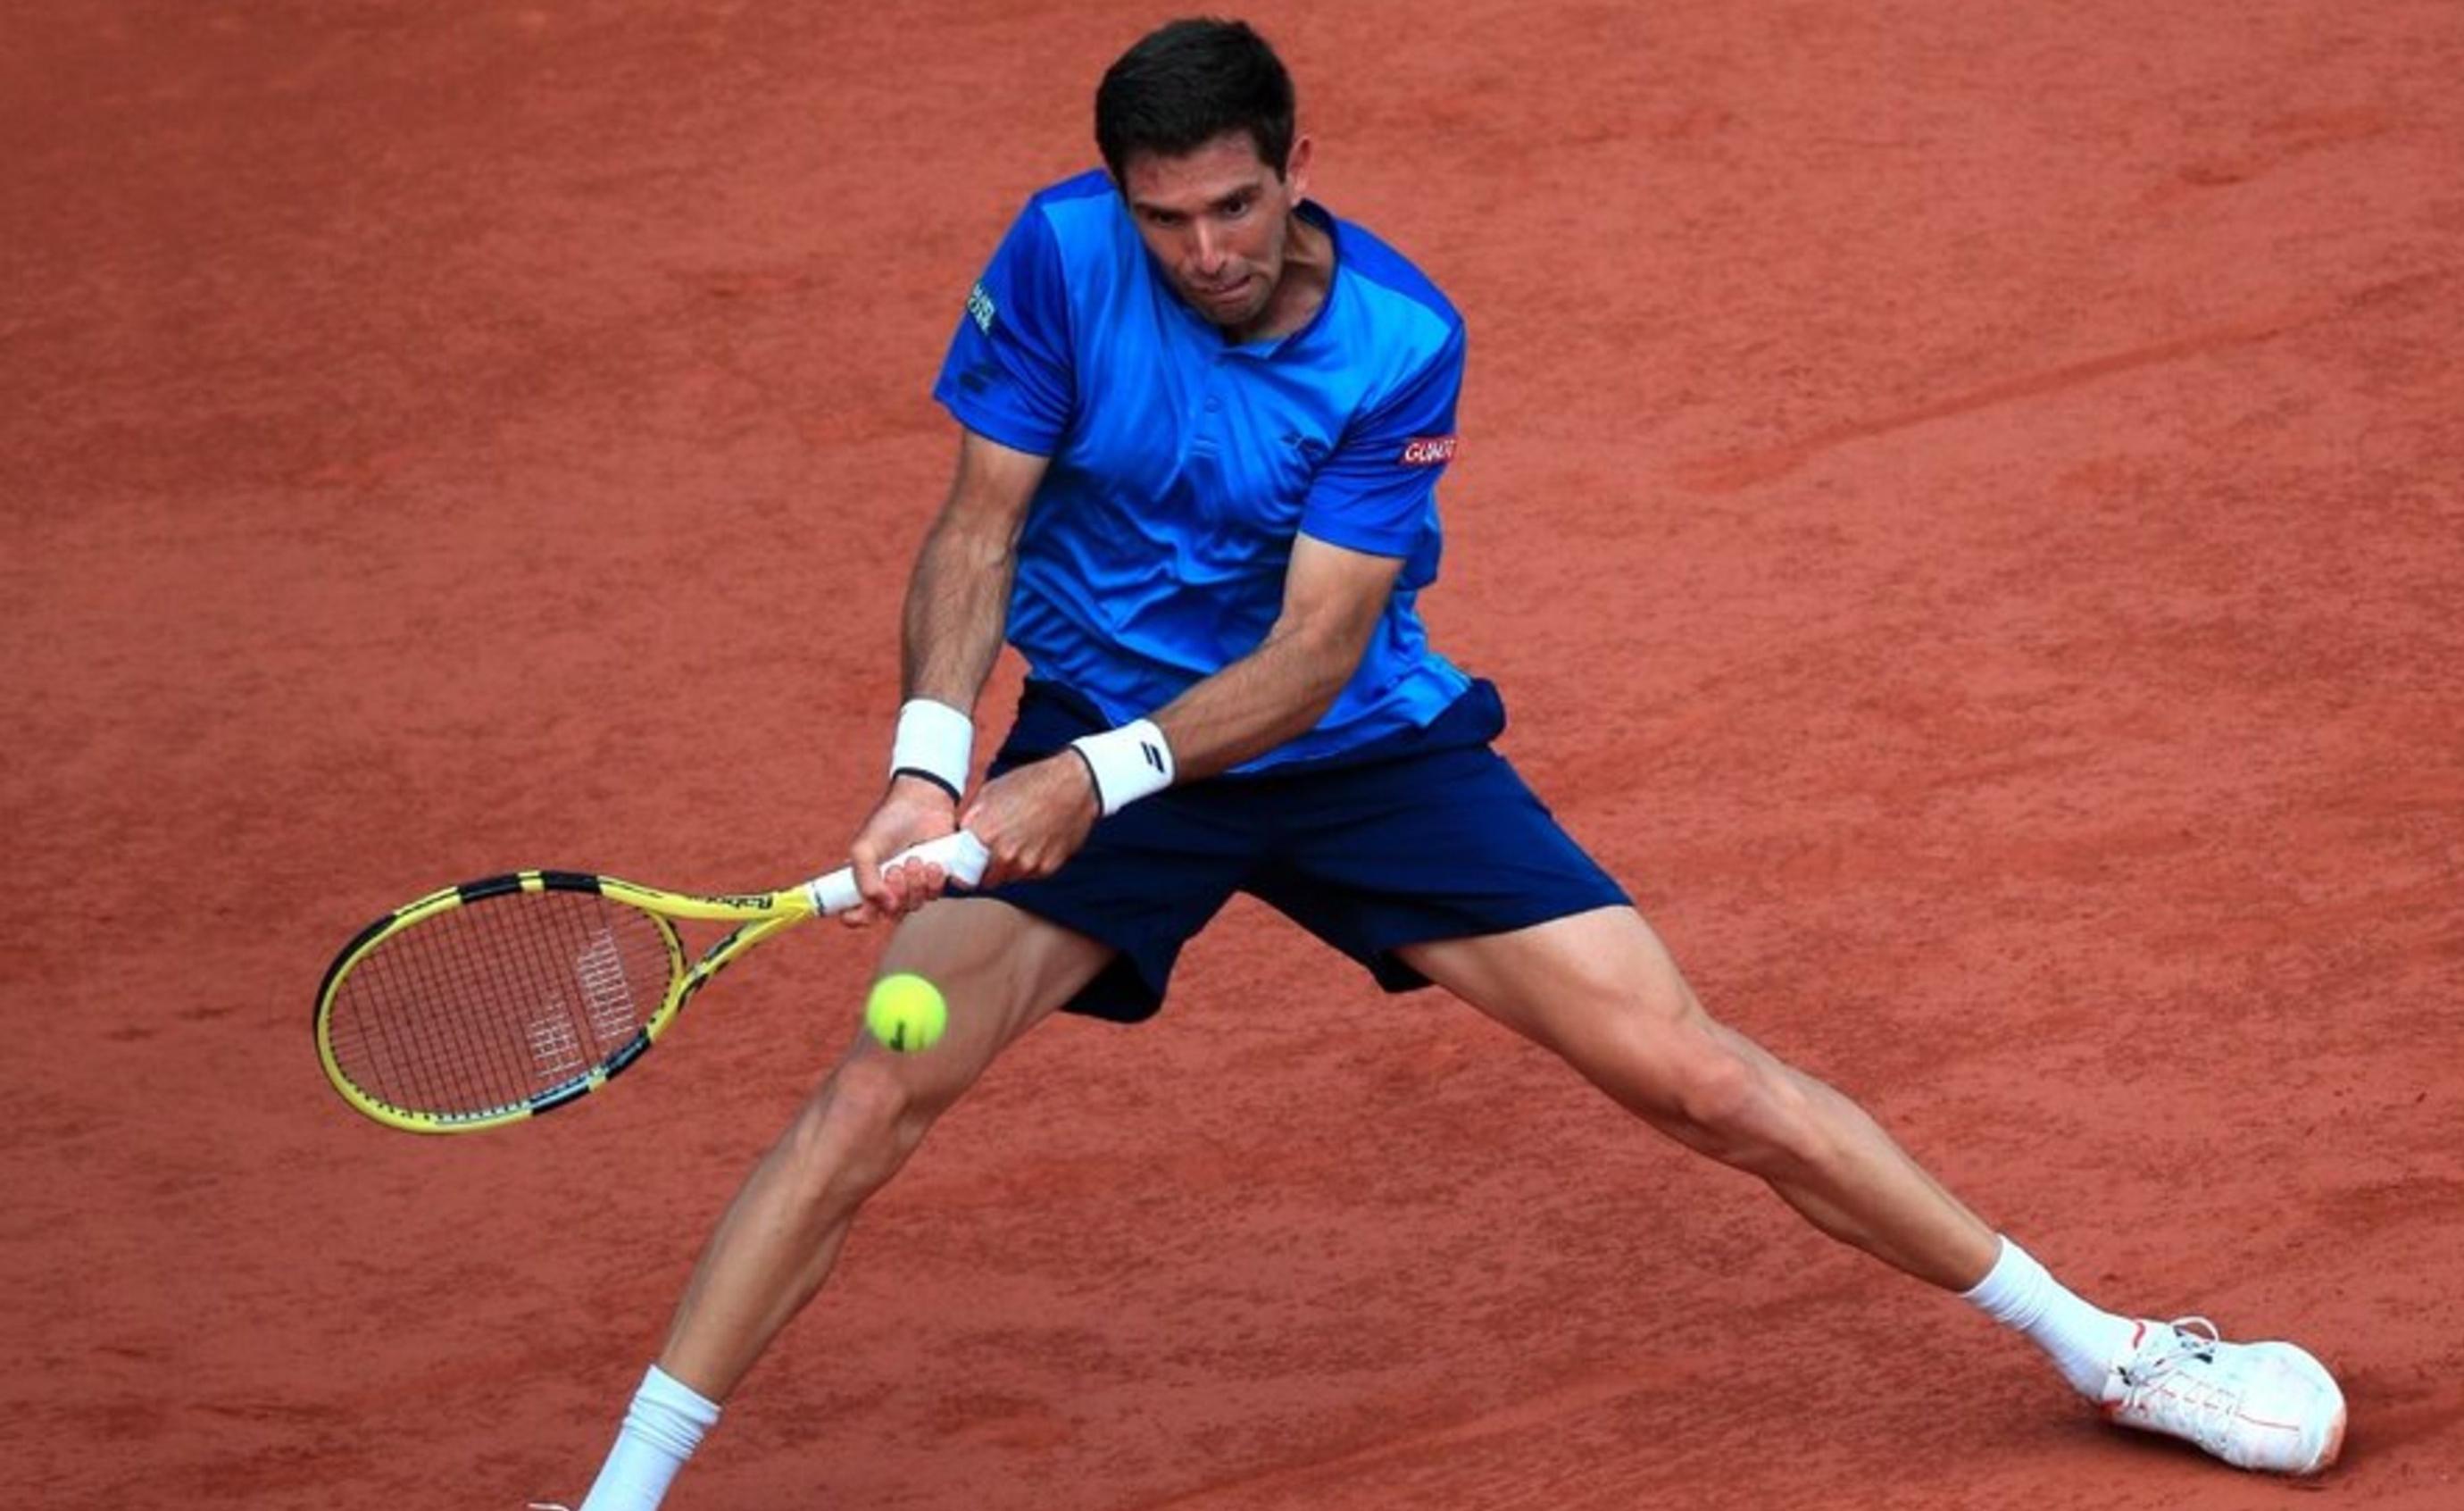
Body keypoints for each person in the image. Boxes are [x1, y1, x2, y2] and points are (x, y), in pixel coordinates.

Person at [549, 19, 2345, 1508]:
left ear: (1296, 162)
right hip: (1086, 735)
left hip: (1345, 755)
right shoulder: (1054, 255)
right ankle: (618, 1501)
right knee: (871, 1091)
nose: (1205, 252)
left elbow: (1313, 654)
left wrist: (1087, 787)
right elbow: (975, 528)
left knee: (1696, 1078)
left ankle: (2105, 1350)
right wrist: (933, 762)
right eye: (1165, 217)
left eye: (1235, 205)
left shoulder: (1398, 344)